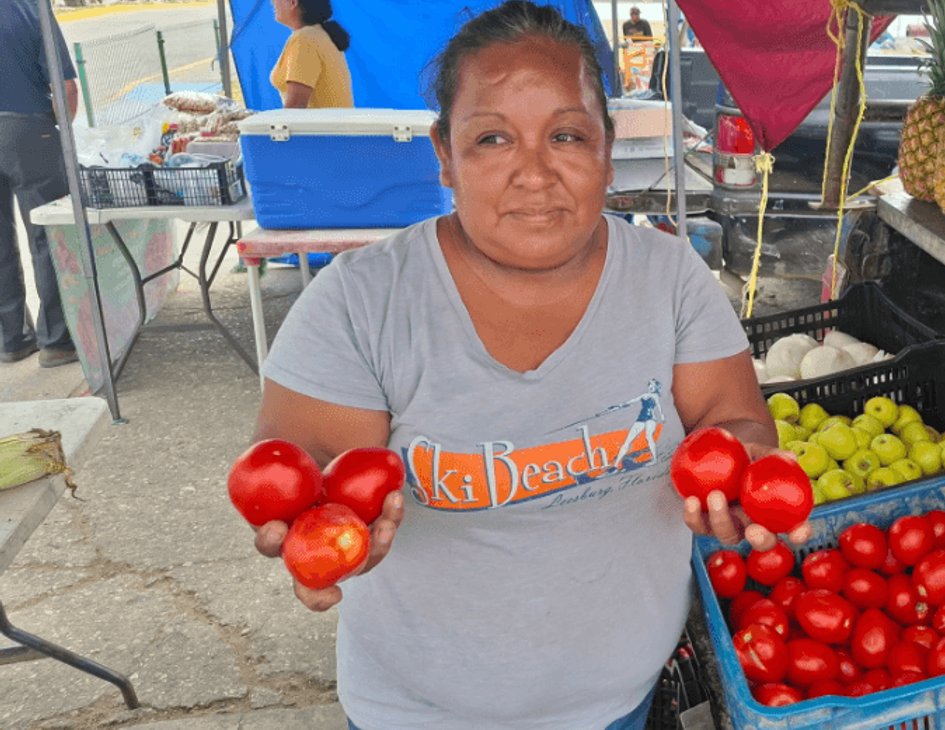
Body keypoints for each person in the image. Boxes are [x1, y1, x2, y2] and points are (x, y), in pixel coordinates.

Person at [246, 2, 810, 728]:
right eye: (491, 139)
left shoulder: (667, 278)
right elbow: (309, 481)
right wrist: (318, 540)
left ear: (608, 148)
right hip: (412, 713)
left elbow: (732, 421)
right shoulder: (361, 303)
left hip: (616, 705)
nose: (535, 174)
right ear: (443, 154)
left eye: (567, 135)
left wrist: (746, 481)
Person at [0, 0, 79, 368]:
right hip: (26, 127)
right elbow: (65, 87)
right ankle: (56, 339)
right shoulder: (32, 7)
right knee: (47, 234)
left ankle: (11, 339)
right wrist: (58, 129)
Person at [270, 0, 354, 109]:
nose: (272, 2)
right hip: (333, 125)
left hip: (320, 126)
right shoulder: (319, 34)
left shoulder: (305, 39)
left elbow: (296, 106)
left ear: (293, 2)